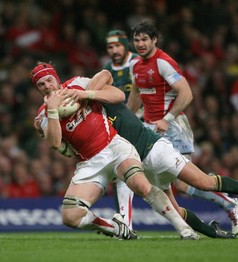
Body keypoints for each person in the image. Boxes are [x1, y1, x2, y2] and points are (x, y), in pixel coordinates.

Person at [87, 69, 238, 238]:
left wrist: (87, 93)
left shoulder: (109, 99)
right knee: (173, 211)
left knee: (204, 183)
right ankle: (214, 232)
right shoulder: (93, 122)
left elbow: (105, 74)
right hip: (142, 165)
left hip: (155, 150)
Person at [31, 62, 198, 240]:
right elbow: (55, 142)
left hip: (114, 146)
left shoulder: (77, 84)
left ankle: (184, 229)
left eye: (49, 80)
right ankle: (116, 228)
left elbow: (116, 92)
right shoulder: (42, 114)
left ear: (56, 78)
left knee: (141, 186)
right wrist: (52, 110)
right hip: (90, 162)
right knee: (70, 217)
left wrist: (86, 94)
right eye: (41, 84)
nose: (47, 86)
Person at [126, 21, 238, 234]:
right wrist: (126, 119)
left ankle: (229, 203)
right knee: (163, 186)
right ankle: (190, 228)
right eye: (136, 40)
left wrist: (167, 119)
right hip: (150, 130)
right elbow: (135, 93)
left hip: (174, 127)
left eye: (144, 39)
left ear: (154, 40)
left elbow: (187, 93)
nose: (140, 44)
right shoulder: (134, 66)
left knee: (181, 183)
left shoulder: (164, 63)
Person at [101, 29, 139, 229]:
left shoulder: (138, 64)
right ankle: (126, 223)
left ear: (126, 45)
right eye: (110, 47)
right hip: (124, 127)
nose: (114, 50)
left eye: (118, 45)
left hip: (149, 124)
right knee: (121, 172)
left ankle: (221, 199)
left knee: (178, 181)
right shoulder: (107, 70)